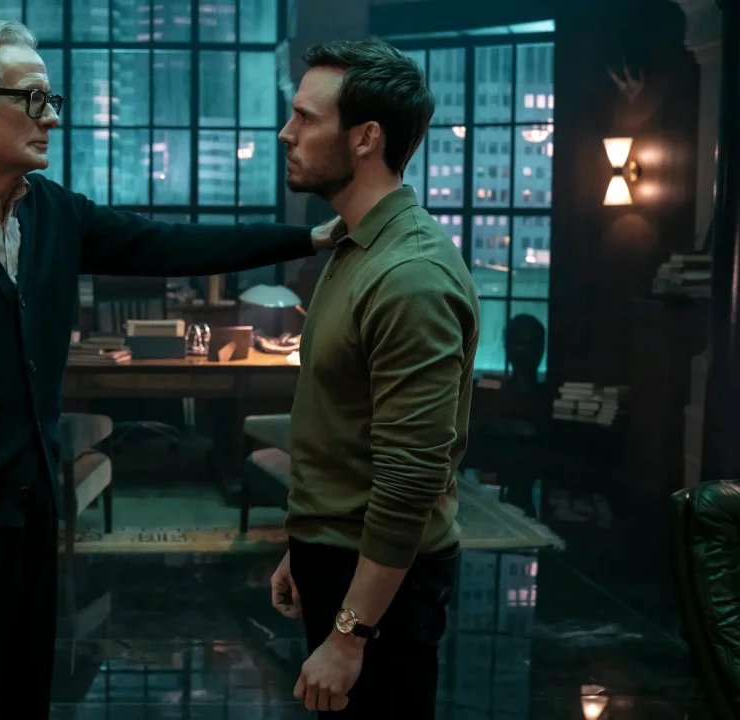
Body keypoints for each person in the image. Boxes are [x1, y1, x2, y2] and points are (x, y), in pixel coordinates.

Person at [0, 19, 335, 720]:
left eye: (52, 98)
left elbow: (174, 244)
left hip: (32, 517)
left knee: (21, 698)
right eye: (32, 99)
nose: (53, 118)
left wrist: (309, 237)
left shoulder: (53, 213)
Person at [268, 39, 480, 717]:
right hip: (338, 557)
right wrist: (304, 546)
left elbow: (410, 477)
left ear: (365, 138)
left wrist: (349, 634)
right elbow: (344, 428)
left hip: (384, 585)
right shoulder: (355, 243)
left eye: (306, 117)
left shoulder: (409, 275)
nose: (286, 133)